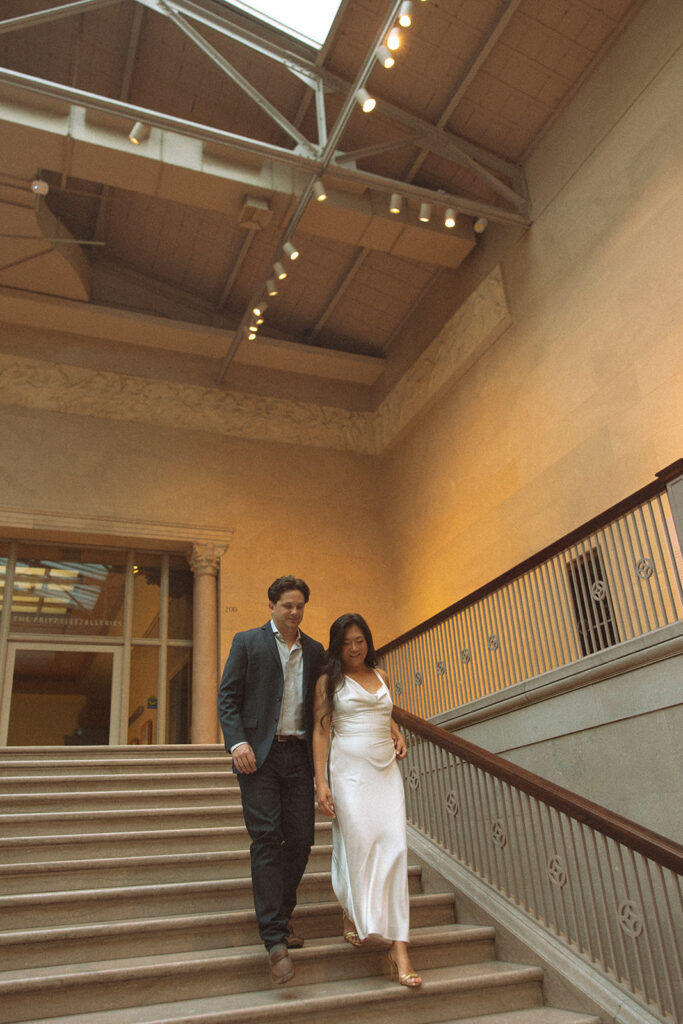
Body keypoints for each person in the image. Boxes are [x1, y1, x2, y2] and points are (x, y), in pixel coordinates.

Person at [217, 575, 325, 985]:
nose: (293, 612)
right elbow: (227, 697)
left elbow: (337, 691)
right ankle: (274, 940)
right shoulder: (248, 642)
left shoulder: (314, 650)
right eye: (286, 605)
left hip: (298, 756)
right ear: (272, 606)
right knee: (266, 838)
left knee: (300, 839)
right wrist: (237, 742)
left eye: (299, 606)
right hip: (258, 758)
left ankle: (279, 915)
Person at [312, 613, 422, 988]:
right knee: (357, 844)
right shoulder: (329, 681)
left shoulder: (382, 675)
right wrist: (320, 782)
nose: (354, 648)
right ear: (337, 647)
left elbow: (384, 711)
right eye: (347, 643)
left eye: (360, 640)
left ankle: (400, 948)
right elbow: (322, 731)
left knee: (394, 850)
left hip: (385, 771)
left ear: (367, 641)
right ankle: (352, 909)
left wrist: (397, 732)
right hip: (349, 773)